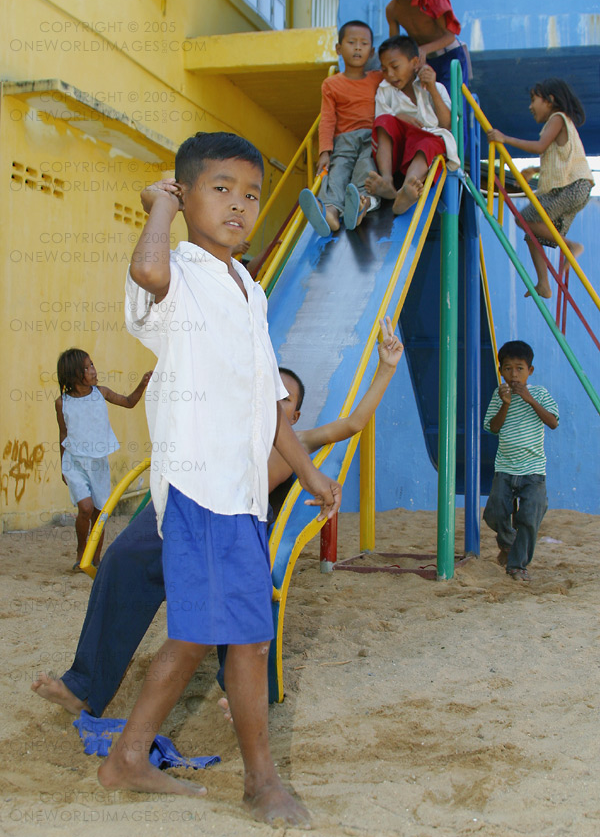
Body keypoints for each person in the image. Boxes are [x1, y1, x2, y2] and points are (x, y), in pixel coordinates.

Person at [98, 131, 341, 827]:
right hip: (199, 490)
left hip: (240, 497)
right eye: (220, 189)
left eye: (252, 194)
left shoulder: (250, 292)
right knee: (232, 635)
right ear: (185, 193)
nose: (240, 205)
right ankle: (260, 782)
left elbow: (270, 405)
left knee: (223, 634)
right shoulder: (177, 269)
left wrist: (309, 471)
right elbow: (146, 275)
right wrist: (156, 209)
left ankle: (129, 757)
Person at [32, 319, 403, 721]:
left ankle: (239, 694)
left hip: (235, 526)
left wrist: (385, 367)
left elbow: (352, 424)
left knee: (241, 585)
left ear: (293, 417)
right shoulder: (223, 428)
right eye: (267, 395)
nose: (273, 406)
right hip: (188, 508)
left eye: (284, 402)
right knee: (122, 562)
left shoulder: (300, 441)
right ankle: (83, 688)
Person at [486, 78, 593, 299]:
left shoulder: (557, 118)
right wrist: (535, 169)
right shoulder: (563, 123)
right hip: (573, 189)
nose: (530, 106)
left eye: (534, 99)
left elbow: (540, 146)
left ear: (550, 100)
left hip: (570, 188)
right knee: (532, 233)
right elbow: (560, 156)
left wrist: (504, 138)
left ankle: (570, 246)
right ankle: (543, 284)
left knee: (523, 218)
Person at [55, 348, 151, 569]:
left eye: (92, 365)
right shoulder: (62, 403)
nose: (93, 370)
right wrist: (63, 466)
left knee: (100, 512)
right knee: (86, 509)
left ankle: (95, 556)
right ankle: (81, 552)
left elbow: (128, 402)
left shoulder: (102, 393)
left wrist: (143, 384)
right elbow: (63, 434)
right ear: (73, 375)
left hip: (98, 463)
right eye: (87, 368)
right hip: (75, 462)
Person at [298, 20, 384, 237]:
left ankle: (358, 207)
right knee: (338, 172)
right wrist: (325, 152)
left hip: (370, 137)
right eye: (351, 42)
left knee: (366, 167)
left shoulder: (378, 79)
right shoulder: (331, 84)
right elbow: (327, 119)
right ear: (338, 48)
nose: (357, 48)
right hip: (343, 139)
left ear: (372, 51)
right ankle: (331, 213)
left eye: (364, 44)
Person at [483, 341, 558, 583]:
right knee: (494, 514)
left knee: (529, 517)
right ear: (501, 371)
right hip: (505, 468)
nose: (514, 375)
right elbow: (493, 428)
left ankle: (517, 566)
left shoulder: (540, 394)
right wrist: (505, 404)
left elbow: (553, 422)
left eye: (519, 369)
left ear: (530, 371)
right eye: (507, 369)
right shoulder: (499, 394)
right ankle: (508, 545)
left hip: (534, 470)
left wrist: (530, 400)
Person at [365, 35, 459, 216]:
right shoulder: (385, 90)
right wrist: (398, 117)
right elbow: (380, 122)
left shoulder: (435, 87)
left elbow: (447, 124)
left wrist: (431, 88)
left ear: (415, 62)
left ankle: (408, 189)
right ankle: (386, 180)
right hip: (397, 153)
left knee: (428, 142)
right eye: (384, 70)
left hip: (425, 148)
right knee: (384, 120)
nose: (390, 74)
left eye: (395, 67)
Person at [383, 0, 470, 93]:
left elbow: (450, 36)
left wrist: (423, 49)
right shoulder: (391, 9)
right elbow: (395, 47)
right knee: (428, 108)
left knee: (453, 107)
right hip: (423, 62)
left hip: (450, 56)